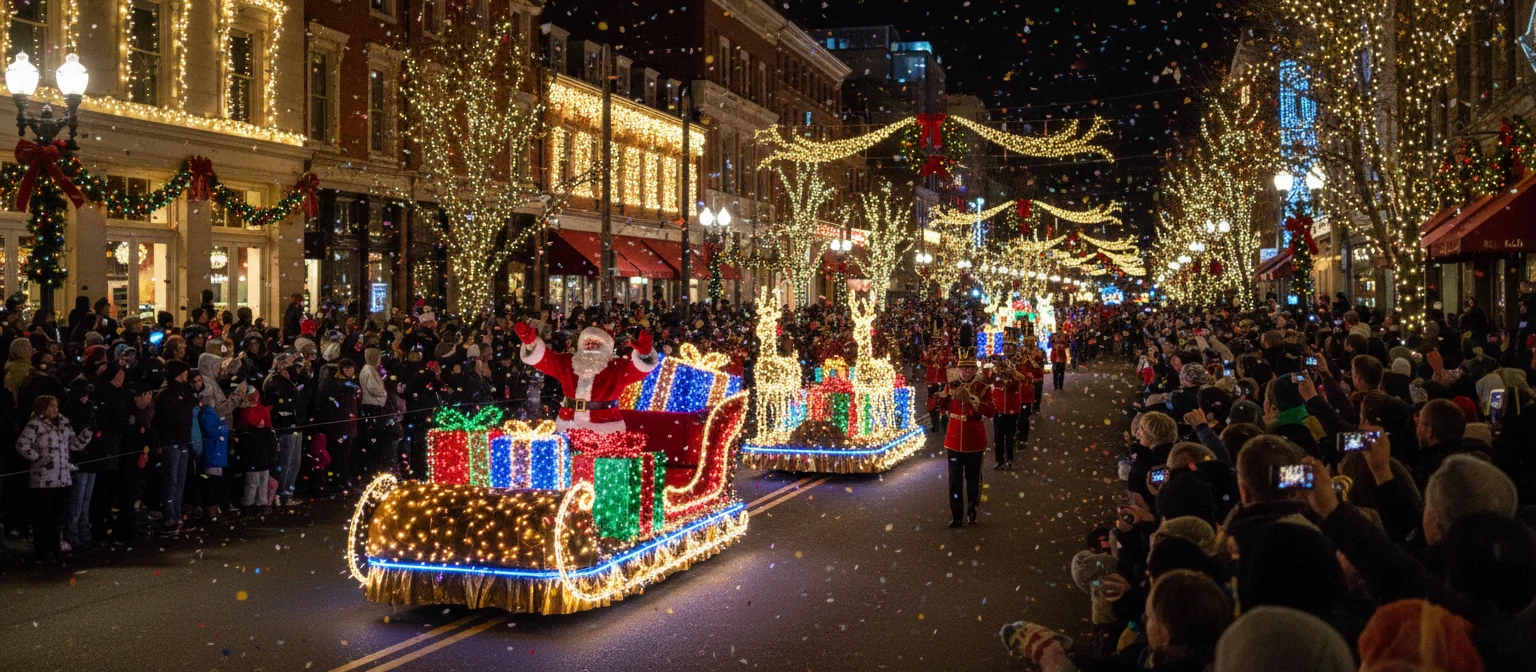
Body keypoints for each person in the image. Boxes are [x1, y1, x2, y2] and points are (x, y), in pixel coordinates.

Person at [513, 322, 656, 435]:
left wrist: (644, 354)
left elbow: (638, 370)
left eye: (596, 346)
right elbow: (545, 360)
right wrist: (531, 343)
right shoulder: (568, 363)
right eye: (588, 345)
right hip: (568, 424)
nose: (591, 350)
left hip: (604, 426)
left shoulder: (616, 367)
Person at [15, 395, 92, 559]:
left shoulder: (64, 423)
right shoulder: (35, 425)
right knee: (43, 515)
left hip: (62, 477)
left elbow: (74, 444)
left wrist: (87, 433)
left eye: (56, 406)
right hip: (43, 479)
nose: (55, 410)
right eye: (51, 406)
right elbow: (22, 444)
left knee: (57, 515)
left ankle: (55, 545)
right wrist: (38, 458)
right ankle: (42, 549)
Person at [927, 348, 995, 528]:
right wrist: (941, 397)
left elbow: (990, 411)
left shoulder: (983, 388)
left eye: (969, 369)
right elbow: (936, 407)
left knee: (974, 481)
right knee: (954, 482)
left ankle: (972, 513)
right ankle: (956, 516)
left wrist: (973, 399)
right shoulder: (952, 385)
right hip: (954, 441)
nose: (965, 372)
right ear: (958, 371)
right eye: (962, 369)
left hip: (974, 442)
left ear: (974, 371)